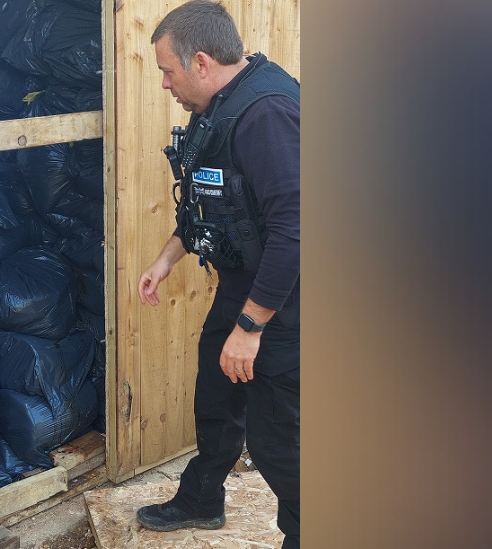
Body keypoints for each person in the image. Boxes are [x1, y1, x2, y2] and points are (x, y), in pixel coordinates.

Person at [134, 1, 301, 548]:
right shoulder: (220, 105)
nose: (164, 84)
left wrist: (251, 329)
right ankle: (202, 499)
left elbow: (295, 229)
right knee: (216, 398)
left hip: (286, 304)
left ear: (201, 62)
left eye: (167, 71)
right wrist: (166, 258)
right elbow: (215, 201)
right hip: (241, 287)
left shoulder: (268, 113)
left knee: (279, 442)